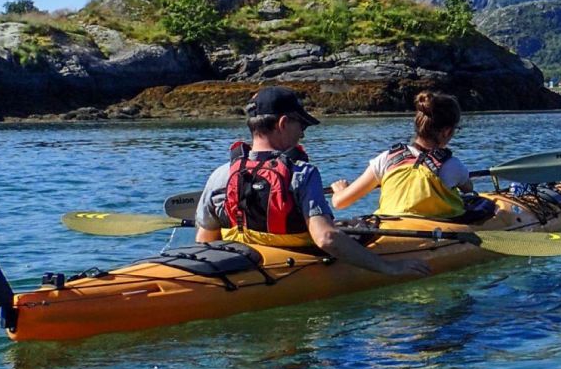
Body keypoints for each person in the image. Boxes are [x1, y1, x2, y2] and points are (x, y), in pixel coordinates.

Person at [195, 86, 430, 277]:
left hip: (237, 266)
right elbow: (326, 238)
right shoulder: (301, 173)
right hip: (290, 266)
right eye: (302, 125)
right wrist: (388, 267)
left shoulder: (220, 175)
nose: (303, 134)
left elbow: (205, 241)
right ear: (283, 123)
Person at [330, 91, 473, 218]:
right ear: (447, 131)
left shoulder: (386, 158)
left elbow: (339, 203)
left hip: (389, 229)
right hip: (433, 233)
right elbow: (468, 189)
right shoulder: (453, 165)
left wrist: (340, 190)